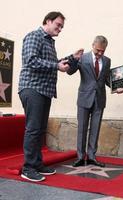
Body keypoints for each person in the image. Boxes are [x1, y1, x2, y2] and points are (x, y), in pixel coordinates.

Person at [18, 11, 83, 182]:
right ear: (48, 21)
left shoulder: (49, 42)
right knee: (33, 129)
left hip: (44, 91)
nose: (60, 29)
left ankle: (37, 164)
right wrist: (56, 65)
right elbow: (30, 60)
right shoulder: (34, 36)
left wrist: (72, 58)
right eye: (58, 25)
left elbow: (55, 63)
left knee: (40, 129)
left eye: (62, 26)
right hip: (32, 88)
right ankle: (28, 168)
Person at [67, 35, 123, 167]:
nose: (99, 53)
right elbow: (70, 71)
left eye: (102, 51)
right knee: (82, 128)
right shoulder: (82, 57)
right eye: (98, 50)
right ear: (93, 45)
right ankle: (80, 157)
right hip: (84, 98)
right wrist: (74, 60)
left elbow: (106, 79)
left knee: (95, 129)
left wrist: (117, 88)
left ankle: (92, 156)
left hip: (99, 99)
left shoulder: (107, 61)